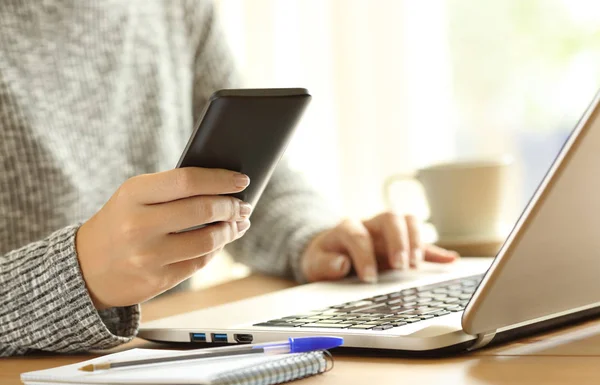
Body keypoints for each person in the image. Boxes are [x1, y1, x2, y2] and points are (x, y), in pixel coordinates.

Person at [0, 1, 458, 357]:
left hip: (160, 366)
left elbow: (245, 178)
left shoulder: (176, 8)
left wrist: (311, 237)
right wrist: (72, 275)